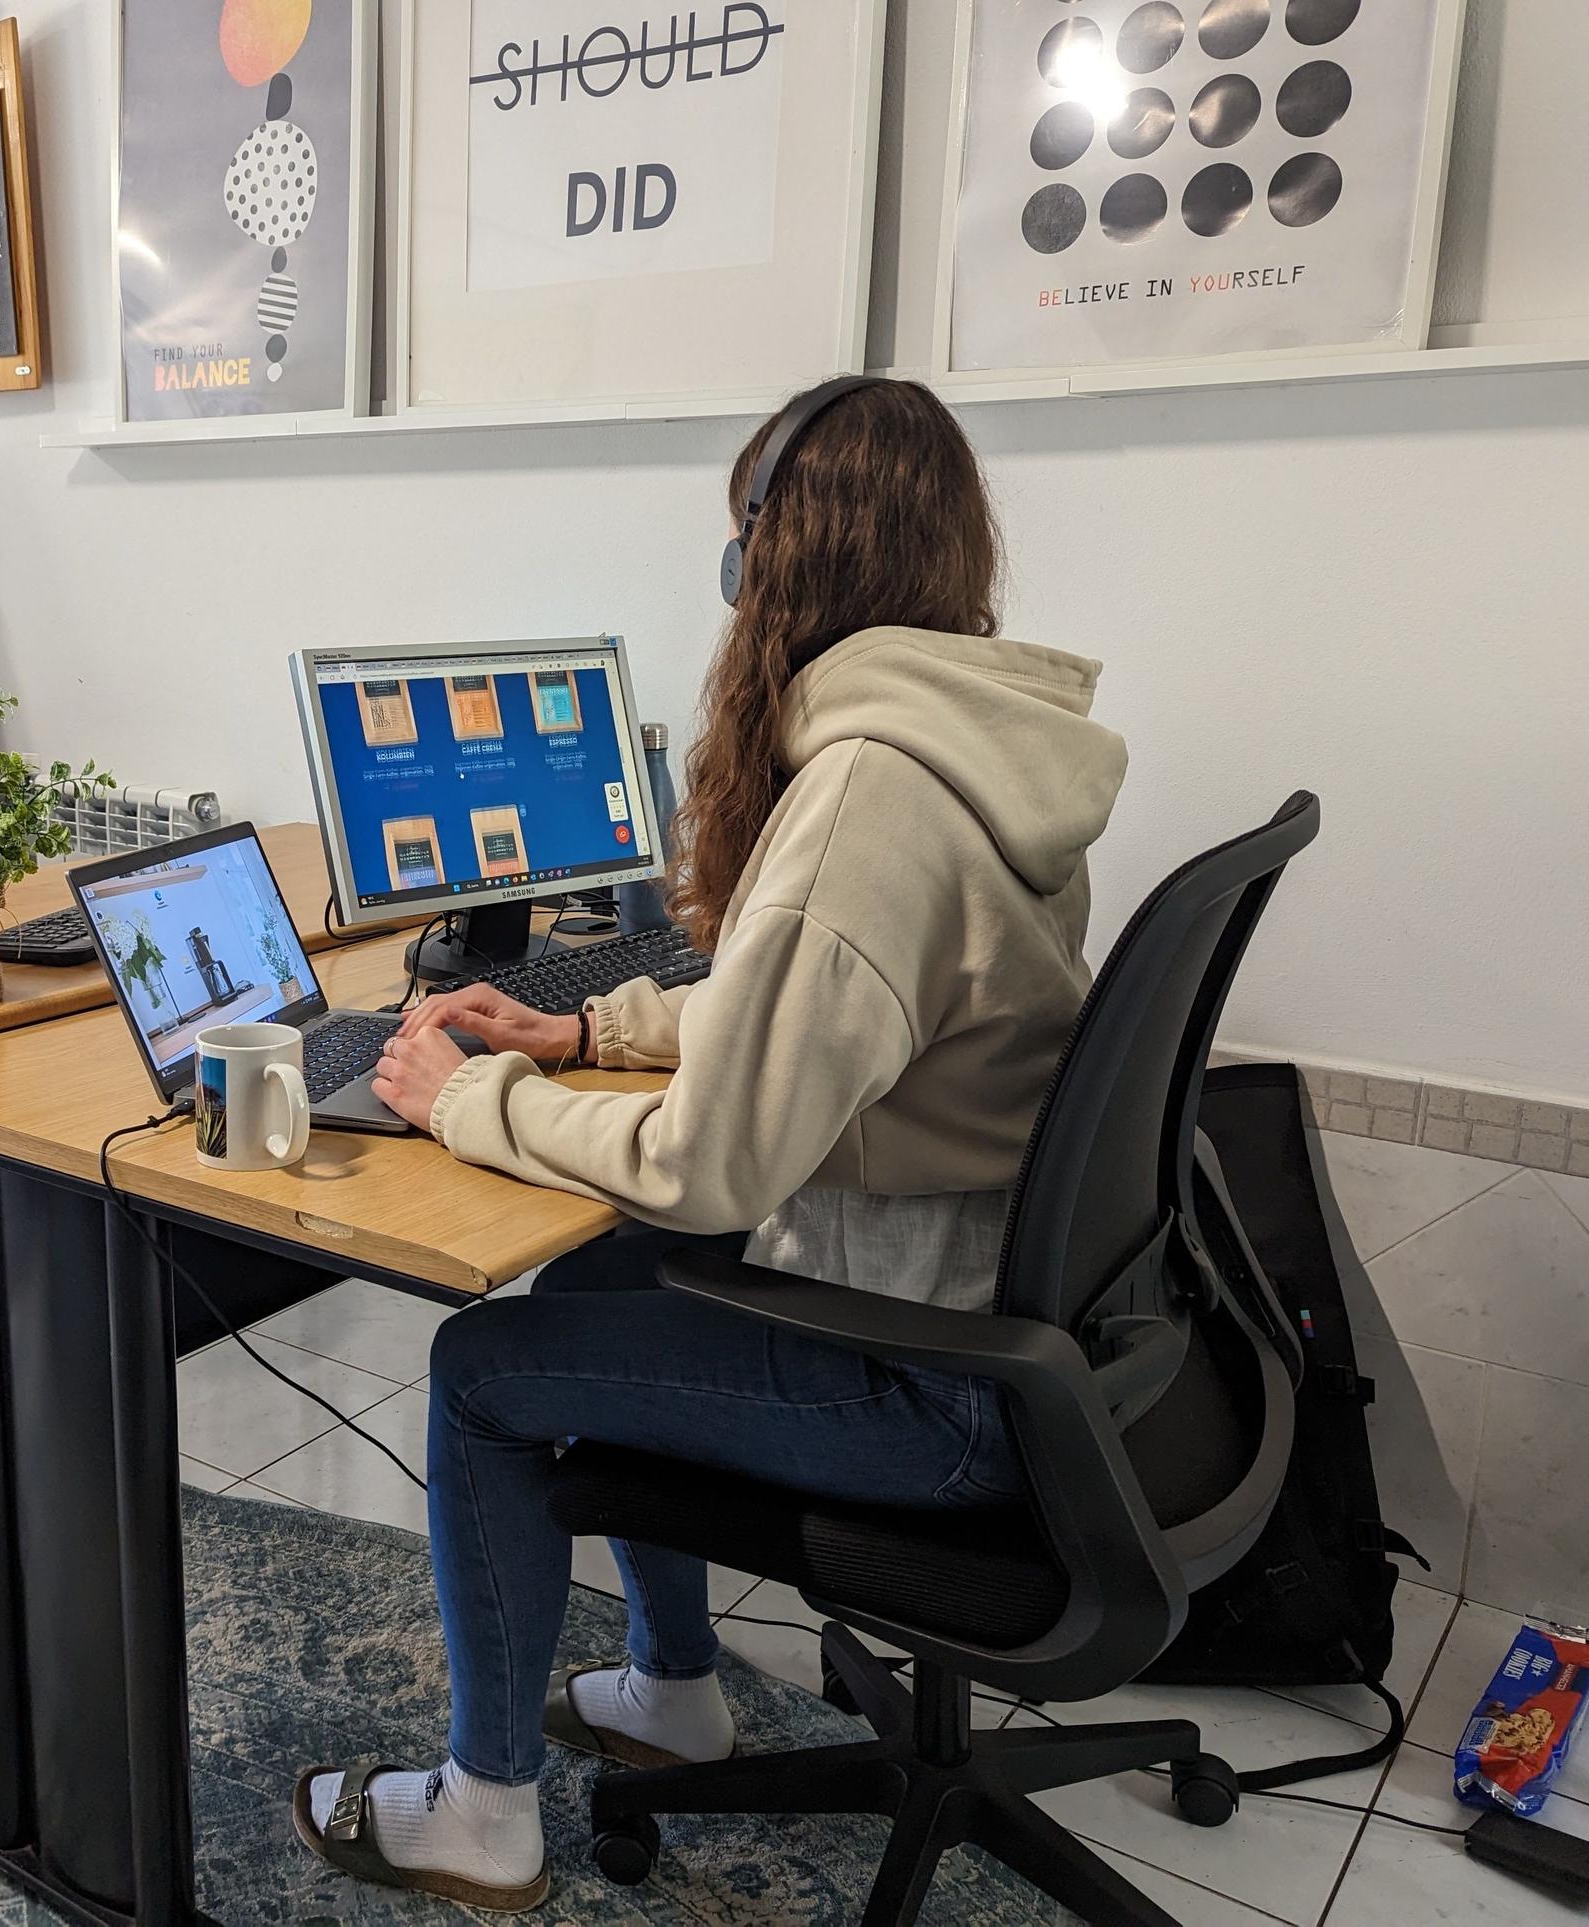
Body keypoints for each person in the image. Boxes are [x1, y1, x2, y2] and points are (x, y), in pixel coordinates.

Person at [291, 377, 1131, 1910]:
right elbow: (814, 1006)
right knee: (592, 1286)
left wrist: (466, 1100)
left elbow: (710, 1168)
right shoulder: (975, 748)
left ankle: (483, 1816)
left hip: (924, 1385)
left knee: (483, 1367)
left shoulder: (870, 798)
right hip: (990, 1324)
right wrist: (580, 1035)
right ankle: (673, 1691)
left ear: (773, 553)